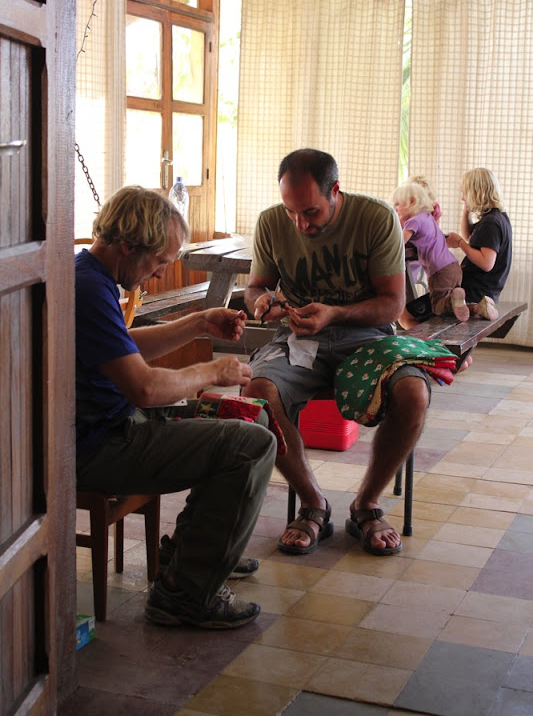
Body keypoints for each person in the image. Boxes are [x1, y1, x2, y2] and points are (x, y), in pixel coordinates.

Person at [75, 186, 277, 630]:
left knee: (250, 417)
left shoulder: (90, 275)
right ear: (128, 246)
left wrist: (198, 322)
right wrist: (212, 371)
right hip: (99, 446)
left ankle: (190, 555)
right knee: (252, 446)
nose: (160, 272)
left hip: (116, 426)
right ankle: (185, 595)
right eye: (159, 261)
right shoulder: (88, 288)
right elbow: (145, 389)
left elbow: (122, 346)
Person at [241, 149, 431, 557]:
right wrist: (260, 302)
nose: (300, 224)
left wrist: (335, 313)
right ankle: (313, 503)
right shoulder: (271, 222)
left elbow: (393, 305)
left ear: (335, 191)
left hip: (368, 337)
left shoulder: (376, 218)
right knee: (257, 392)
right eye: (291, 211)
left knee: (414, 392)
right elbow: (256, 286)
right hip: (299, 339)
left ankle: (366, 505)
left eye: (310, 212)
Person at [392, 181, 469, 329]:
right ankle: (474, 307)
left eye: (398, 205)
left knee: (438, 307)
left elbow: (399, 242)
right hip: (453, 266)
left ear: (412, 202)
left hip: (439, 271)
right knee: (455, 308)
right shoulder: (427, 217)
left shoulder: (413, 222)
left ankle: (452, 300)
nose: (396, 209)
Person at [446, 168, 512, 321]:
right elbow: (469, 236)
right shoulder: (496, 217)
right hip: (483, 289)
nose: (462, 198)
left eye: (465, 193)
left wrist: (460, 243)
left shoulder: (491, 223)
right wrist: (466, 211)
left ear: (475, 193)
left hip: (476, 291)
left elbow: (486, 263)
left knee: (420, 310)